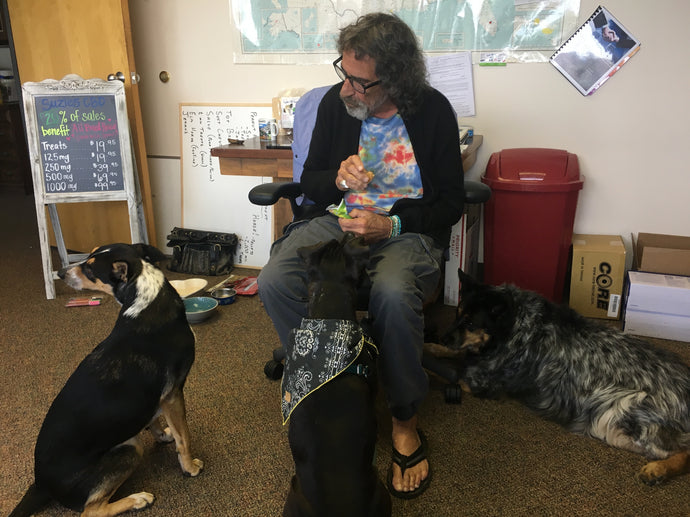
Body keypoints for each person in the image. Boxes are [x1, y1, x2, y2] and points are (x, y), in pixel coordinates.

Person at [257, 12, 464, 499]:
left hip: (403, 229)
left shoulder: (431, 111)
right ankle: (324, 379)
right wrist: (335, 177)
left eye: (360, 82)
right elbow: (310, 182)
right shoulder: (337, 105)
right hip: (337, 221)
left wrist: (390, 223)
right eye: (343, 72)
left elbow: (452, 202)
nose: (348, 89)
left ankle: (403, 419)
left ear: (394, 80)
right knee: (274, 280)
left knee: (392, 293)